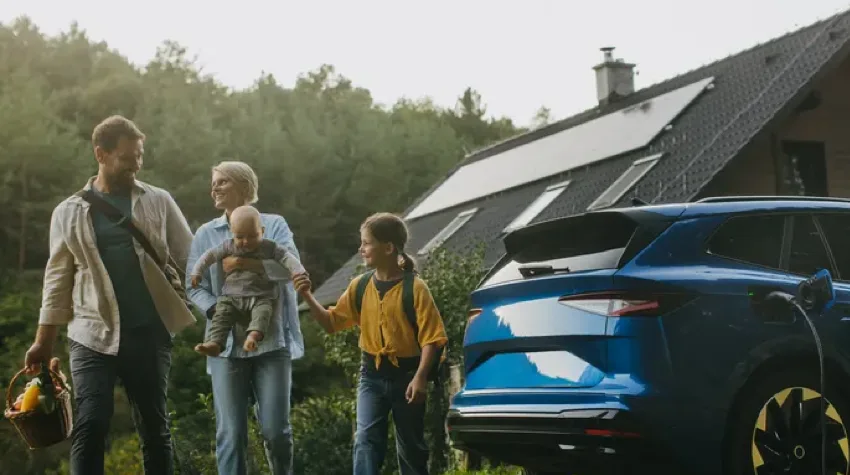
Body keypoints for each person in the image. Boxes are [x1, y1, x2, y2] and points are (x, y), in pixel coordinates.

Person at [24, 115, 196, 475]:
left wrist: (228, 299)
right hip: (91, 335)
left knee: (155, 428)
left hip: (150, 333)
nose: (136, 164)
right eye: (126, 157)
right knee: (89, 427)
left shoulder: (158, 201)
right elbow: (57, 281)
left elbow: (191, 258)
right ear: (100, 154)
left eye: (139, 156)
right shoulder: (67, 213)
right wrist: (44, 342)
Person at [295, 212, 448, 475]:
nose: (361, 249)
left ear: (388, 248)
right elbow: (331, 323)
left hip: (408, 376)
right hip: (371, 376)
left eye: (366, 243)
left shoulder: (416, 288)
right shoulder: (360, 286)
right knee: (365, 441)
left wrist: (421, 378)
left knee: (411, 448)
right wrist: (306, 295)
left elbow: (432, 339)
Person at [186, 161, 304, 475]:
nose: (214, 188)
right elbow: (192, 286)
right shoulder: (206, 234)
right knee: (231, 434)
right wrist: (220, 312)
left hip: (271, 341)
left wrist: (243, 264)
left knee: (276, 432)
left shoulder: (274, 225)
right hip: (224, 346)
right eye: (214, 182)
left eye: (222, 182)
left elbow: (289, 270)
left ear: (242, 186)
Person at [190, 204, 306, 356]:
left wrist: (299, 272)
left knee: (264, 312)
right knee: (221, 313)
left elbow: (288, 258)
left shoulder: (270, 247)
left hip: (261, 296)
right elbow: (209, 256)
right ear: (232, 233)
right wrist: (197, 271)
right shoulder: (228, 246)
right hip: (231, 296)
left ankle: (253, 336)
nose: (245, 241)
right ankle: (215, 343)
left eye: (252, 236)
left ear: (262, 231)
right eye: (240, 237)